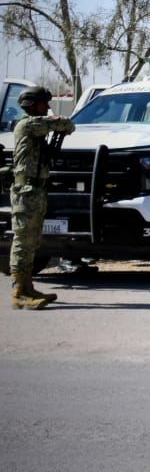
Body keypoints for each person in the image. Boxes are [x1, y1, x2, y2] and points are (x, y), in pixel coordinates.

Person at [6, 86, 74, 309]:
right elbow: (65, 124)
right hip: (26, 191)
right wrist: (58, 120)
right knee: (23, 240)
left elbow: (66, 126)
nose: (47, 107)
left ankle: (28, 287)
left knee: (32, 241)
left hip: (36, 191)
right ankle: (19, 292)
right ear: (33, 105)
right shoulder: (28, 124)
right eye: (44, 103)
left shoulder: (37, 125)